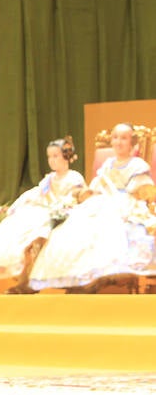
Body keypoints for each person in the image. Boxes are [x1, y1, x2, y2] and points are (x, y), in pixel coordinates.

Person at [29, 123, 156, 292]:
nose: (119, 142)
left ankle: (95, 278)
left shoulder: (137, 165)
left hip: (124, 202)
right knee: (77, 226)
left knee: (108, 226)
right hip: (101, 200)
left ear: (132, 142)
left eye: (124, 138)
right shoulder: (108, 164)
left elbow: (142, 189)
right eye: (116, 137)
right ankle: (78, 276)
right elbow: (96, 186)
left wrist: (122, 193)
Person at [0, 137, 86, 293]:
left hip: (63, 212)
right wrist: (13, 208)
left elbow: (75, 197)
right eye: (49, 157)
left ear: (66, 156)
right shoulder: (49, 179)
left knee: (40, 229)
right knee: (17, 225)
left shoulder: (74, 177)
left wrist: (61, 207)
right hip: (46, 210)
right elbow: (35, 194)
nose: (52, 160)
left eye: (55, 156)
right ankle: (25, 276)